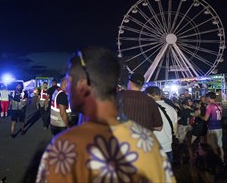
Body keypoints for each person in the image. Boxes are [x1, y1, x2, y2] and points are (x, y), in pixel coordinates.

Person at [36, 46, 176, 182]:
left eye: (69, 80)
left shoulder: (65, 147)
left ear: (83, 85)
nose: (67, 87)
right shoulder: (149, 144)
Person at [145, 86, 178, 164]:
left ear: (149, 95)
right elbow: (175, 131)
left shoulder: (147, 109)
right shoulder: (172, 109)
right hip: (167, 148)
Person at [199, 91, 224, 163]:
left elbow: (205, 118)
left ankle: (215, 162)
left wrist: (199, 116)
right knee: (219, 145)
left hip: (212, 128)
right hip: (219, 127)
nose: (206, 99)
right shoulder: (219, 106)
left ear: (209, 98)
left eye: (206, 98)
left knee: (213, 147)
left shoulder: (209, 106)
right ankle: (221, 161)